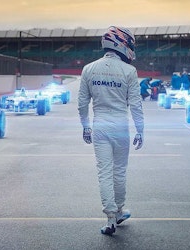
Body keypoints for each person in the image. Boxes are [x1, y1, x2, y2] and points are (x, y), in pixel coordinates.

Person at [78, 26, 144, 236]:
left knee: (104, 173)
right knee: (119, 172)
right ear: (122, 43)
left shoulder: (89, 69)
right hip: (121, 127)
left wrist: (85, 125)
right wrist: (140, 130)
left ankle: (110, 219)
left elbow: (82, 103)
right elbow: (136, 104)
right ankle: (120, 210)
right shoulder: (129, 71)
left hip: (99, 126)